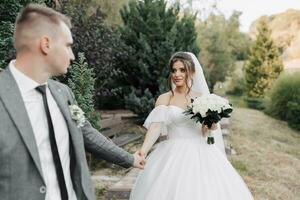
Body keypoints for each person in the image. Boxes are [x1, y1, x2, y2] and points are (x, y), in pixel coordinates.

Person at [0, 4, 145, 200]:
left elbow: (87, 134)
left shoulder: (63, 93)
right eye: (68, 45)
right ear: (46, 44)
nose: (72, 55)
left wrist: (130, 159)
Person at [129, 52, 254, 200]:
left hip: (201, 152)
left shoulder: (202, 99)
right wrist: (143, 151)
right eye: (174, 70)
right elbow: (155, 128)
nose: (177, 74)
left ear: (192, 72)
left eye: (182, 70)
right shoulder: (165, 98)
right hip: (171, 153)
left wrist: (211, 123)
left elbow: (204, 131)